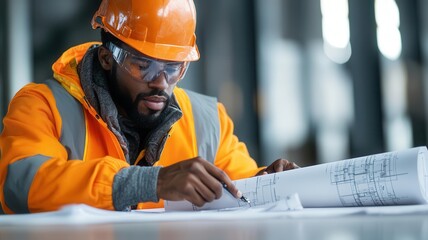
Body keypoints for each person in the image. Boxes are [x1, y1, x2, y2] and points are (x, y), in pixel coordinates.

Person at [0, 0, 298, 214]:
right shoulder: (43, 105)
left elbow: (240, 185)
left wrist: (268, 182)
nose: (160, 83)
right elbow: (20, 185)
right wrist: (148, 183)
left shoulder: (208, 121)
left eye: (173, 68)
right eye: (143, 66)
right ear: (107, 58)